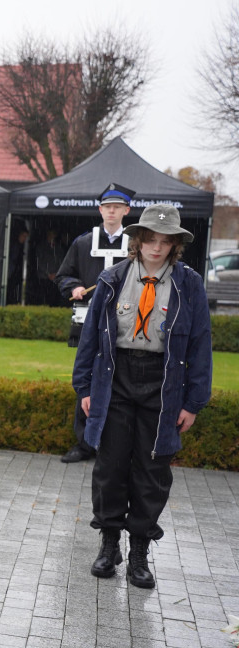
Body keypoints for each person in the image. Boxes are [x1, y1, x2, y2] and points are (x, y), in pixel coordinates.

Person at [73, 204, 211, 589]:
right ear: (137, 240)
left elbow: (201, 344)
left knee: (152, 471)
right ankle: (109, 544)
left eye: (165, 241)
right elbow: (90, 338)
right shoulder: (112, 278)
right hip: (114, 378)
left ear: (175, 245)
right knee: (110, 467)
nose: (156, 247)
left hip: (163, 383)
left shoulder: (189, 284)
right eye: (150, 239)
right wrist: (84, 387)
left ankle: (138, 552)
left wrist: (193, 402)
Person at [56, 183, 135, 464]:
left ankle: (115, 445)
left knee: (123, 382)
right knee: (87, 381)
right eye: (107, 207)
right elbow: (64, 275)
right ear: (100, 210)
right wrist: (74, 286)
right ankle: (85, 443)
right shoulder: (83, 242)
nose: (111, 211)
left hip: (126, 323)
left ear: (126, 211)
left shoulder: (137, 243)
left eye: (117, 207)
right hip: (90, 322)